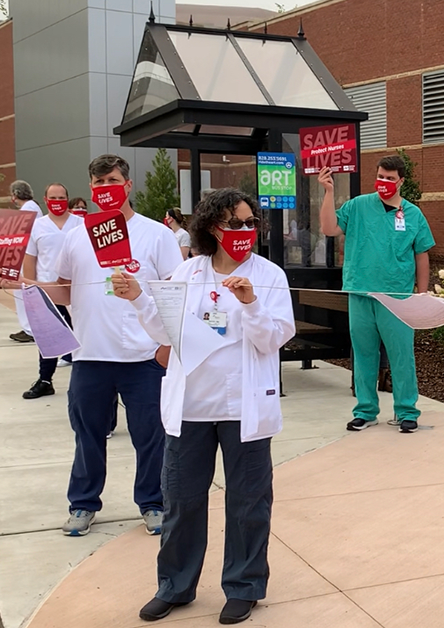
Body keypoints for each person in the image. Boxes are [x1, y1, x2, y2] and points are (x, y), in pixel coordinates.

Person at [114, 188, 295, 626]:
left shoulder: (269, 275)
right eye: (235, 223)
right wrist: (138, 296)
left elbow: (275, 338)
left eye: (251, 222)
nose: (244, 231)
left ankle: (244, 585)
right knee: (181, 500)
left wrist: (250, 303)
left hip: (243, 409)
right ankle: (174, 586)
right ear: (213, 227)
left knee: (248, 503)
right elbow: (165, 330)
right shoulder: (188, 272)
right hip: (191, 407)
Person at [52, 154, 183, 537]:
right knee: (87, 435)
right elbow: (63, 291)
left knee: (151, 436)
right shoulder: (75, 235)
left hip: (143, 355)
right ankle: (83, 503)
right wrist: (29, 287)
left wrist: (168, 346)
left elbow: (175, 291)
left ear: (127, 185)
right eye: (97, 183)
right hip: (90, 353)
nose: (103, 189)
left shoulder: (156, 235)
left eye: (110, 181)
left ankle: (153, 502)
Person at [318, 156, 435, 433]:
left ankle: (407, 411)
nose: (384, 182)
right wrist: (329, 192)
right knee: (363, 354)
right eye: (381, 176)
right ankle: (366, 410)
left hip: (397, 298)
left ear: (401, 181)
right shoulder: (358, 206)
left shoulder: (413, 215)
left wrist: (423, 293)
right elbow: (329, 228)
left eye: (390, 178)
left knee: (401, 355)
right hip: (360, 292)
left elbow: (422, 254)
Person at [21, 183, 85, 399]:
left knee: (83, 336)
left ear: (67, 199)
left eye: (61, 197)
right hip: (48, 291)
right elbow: (30, 260)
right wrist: (31, 288)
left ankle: (86, 380)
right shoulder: (37, 227)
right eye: (53, 198)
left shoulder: (81, 224)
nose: (57, 202)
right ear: (45, 199)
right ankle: (45, 379)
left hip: (78, 292)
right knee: (48, 338)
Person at [10, 179, 40, 343]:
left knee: (22, 292)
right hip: (27, 255)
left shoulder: (27, 210)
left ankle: (29, 329)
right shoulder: (33, 207)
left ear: (15, 195)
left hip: (24, 256)